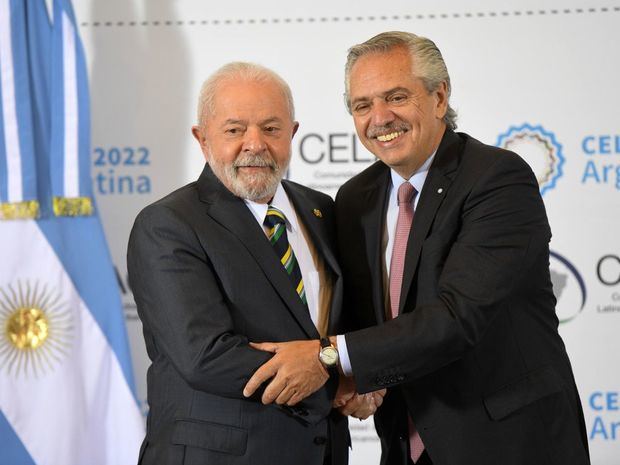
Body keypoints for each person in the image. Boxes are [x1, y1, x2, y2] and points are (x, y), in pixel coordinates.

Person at [243, 32, 591, 465]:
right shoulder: (355, 199)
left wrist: (327, 356)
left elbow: (456, 318)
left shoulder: (497, 180)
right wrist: (354, 383)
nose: (380, 118)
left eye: (396, 96)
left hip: (511, 443)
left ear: (439, 97)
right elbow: (366, 321)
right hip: (405, 446)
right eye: (363, 105)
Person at [127, 62, 355, 465]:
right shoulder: (168, 224)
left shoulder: (321, 210)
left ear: (293, 134)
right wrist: (337, 375)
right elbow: (205, 356)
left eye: (271, 128)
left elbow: (333, 323)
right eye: (234, 130)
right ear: (202, 138)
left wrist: (363, 374)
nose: (255, 144)